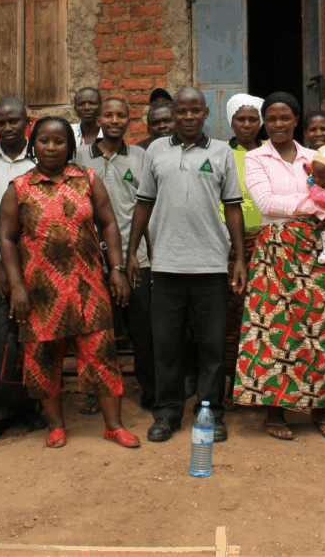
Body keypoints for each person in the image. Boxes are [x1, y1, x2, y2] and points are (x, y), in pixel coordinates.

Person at [0, 116, 140, 449]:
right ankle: (56, 425)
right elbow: (6, 237)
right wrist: (17, 286)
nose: (51, 147)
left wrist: (116, 269)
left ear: (70, 146)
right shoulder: (19, 188)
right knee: (43, 357)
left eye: (58, 141)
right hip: (40, 292)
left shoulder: (88, 180)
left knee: (102, 355)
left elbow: (108, 224)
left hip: (88, 287)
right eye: (44, 141)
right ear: (34, 145)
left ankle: (113, 425)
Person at [127, 86, 247, 444]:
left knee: (211, 345)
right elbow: (144, 204)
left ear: (206, 113)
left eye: (196, 111)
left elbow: (234, 209)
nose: (189, 117)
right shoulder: (155, 153)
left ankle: (210, 411)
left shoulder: (222, 152)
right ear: (173, 114)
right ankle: (166, 412)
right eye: (182, 111)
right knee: (166, 344)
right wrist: (132, 252)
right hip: (166, 266)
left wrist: (238, 258)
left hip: (211, 265)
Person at [234, 92, 325, 440]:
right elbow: (267, 202)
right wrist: (318, 206)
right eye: (272, 119)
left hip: (318, 251)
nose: (278, 124)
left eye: (285, 118)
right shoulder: (256, 158)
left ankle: (320, 406)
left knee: (321, 326)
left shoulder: (317, 157)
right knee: (274, 327)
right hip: (276, 251)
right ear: (265, 123)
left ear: (297, 120)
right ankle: (275, 409)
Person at [0, 96, 44, 442]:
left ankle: (32, 408)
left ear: (27, 121)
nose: (8, 127)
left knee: (35, 341)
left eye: (14, 120)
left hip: (38, 269)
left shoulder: (43, 159)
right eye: (1, 122)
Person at [76, 97, 155, 411]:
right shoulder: (79, 156)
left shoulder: (140, 157)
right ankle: (96, 393)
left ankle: (150, 392)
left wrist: (146, 254)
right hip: (92, 260)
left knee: (143, 330)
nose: (114, 120)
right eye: (107, 114)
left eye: (120, 115)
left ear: (129, 120)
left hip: (136, 259)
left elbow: (146, 209)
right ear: (98, 118)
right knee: (97, 331)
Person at [222, 94, 265, 408]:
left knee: (261, 313)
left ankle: (259, 382)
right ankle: (229, 385)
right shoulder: (221, 152)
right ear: (231, 122)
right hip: (227, 245)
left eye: (253, 119)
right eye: (241, 119)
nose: (247, 125)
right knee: (231, 315)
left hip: (265, 242)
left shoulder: (271, 153)